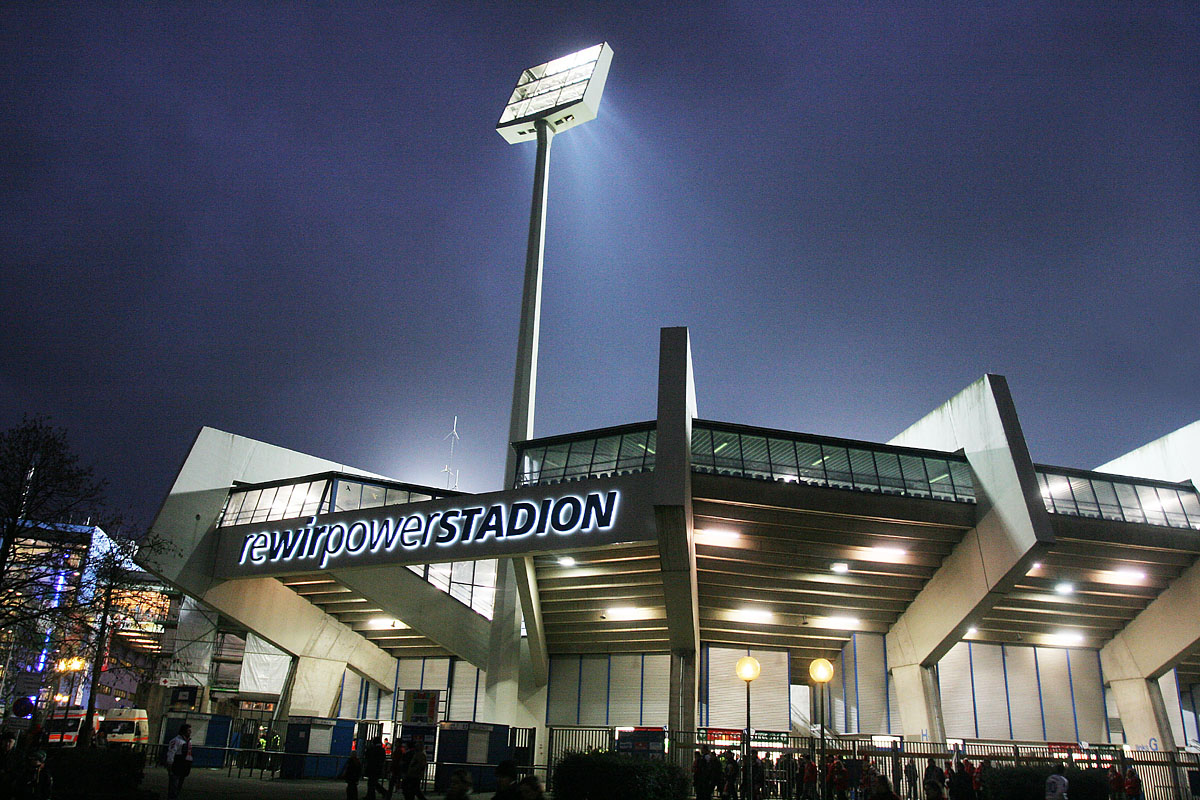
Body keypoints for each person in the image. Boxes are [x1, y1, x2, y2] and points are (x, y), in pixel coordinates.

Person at [165, 723, 193, 800]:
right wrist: (170, 764)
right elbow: (171, 752)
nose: (190, 732)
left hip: (185, 764)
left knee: (179, 784)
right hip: (177, 763)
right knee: (174, 784)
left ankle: (175, 795)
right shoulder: (176, 741)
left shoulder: (188, 741)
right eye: (188, 731)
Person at [364, 736, 388, 800]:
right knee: (374, 782)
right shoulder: (382, 750)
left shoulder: (372, 749)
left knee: (371, 783)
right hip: (378, 768)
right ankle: (372, 795)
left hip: (372, 768)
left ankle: (372, 795)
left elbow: (367, 756)